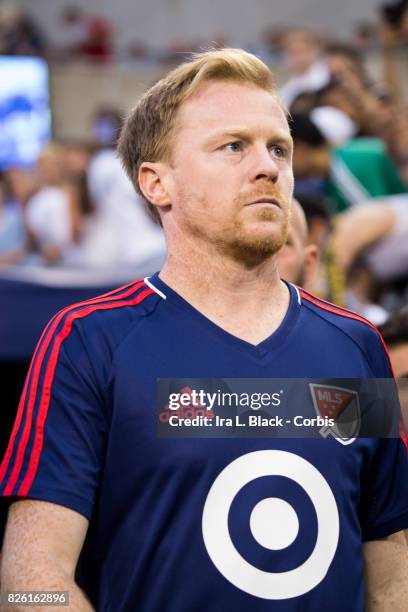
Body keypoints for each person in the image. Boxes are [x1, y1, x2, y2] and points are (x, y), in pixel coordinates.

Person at [1, 49, 407, 612]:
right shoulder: (88, 342)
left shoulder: (355, 345)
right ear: (156, 183)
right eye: (233, 146)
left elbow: (390, 556)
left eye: (278, 148)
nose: (267, 166)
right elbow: (30, 581)